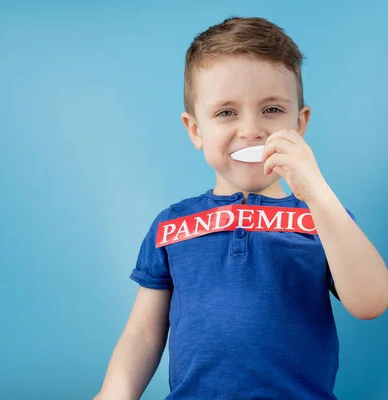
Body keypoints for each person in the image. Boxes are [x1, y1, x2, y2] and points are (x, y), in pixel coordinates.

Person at [94, 16, 388, 399]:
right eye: (226, 112)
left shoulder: (323, 218)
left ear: (299, 124)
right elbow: (143, 333)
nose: (251, 130)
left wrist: (317, 192)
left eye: (271, 110)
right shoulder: (171, 224)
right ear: (195, 129)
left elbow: (372, 301)